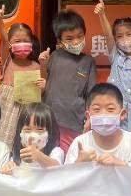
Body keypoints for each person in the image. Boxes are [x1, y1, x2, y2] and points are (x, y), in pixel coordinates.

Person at [39, 10, 97, 153]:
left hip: (74, 122)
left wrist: (90, 118)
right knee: (50, 155)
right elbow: (43, 83)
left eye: (79, 36)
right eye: (69, 39)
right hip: (50, 119)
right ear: (60, 41)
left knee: (71, 157)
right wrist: (42, 65)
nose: (76, 41)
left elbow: (92, 94)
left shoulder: (88, 61)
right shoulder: (54, 56)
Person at [94, 0, 131, 135]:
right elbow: (107, 34)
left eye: (128, 34)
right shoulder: (116, 56)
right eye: (119, 36)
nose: (125, 39)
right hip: (112, 113)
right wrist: (102, 15)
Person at [0, 6, 44, 145]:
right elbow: (3, 38)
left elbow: (41, 90)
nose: (22, 44)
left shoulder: (37, 66)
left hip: (27, 111)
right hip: (6, 109)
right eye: (17, 41)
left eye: (25, 40)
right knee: (2, 142)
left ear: (32, 42)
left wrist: (45, 65)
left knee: (22, 143)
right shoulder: (7, 60)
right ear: (10, 44)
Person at [64, 83, 131, 166]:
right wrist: (78, 163)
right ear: (88, 116)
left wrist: (122, 165)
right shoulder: (80, 143)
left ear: (122, 114)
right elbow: (66, 177)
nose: (103, 114)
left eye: (110, 109)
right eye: (97, 109)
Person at [2, 102, 65, 173]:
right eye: (27, 129)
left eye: (40, 130)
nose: (33, 135)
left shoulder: (56, 152)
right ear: (20, 133)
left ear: (50, 133)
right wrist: (8, 168)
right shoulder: (17, 157)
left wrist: (39, 156)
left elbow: (58, 169)